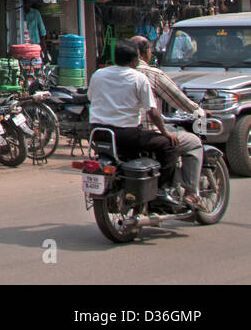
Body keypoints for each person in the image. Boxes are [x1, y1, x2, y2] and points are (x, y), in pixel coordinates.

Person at [87, 39, 180, 200]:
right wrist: (165, 132)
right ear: (134, 60)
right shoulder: (138, 78)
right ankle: (162, 190)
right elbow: (153, 111)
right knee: (168, 145)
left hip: (98, 133)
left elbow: (91, 97)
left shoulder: (98, 74)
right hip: (127, 135)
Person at [132, 36, 205, 207]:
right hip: (146, 132)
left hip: (117, 132)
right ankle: (190, 193)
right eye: (150, 49)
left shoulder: (109, 75)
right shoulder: (150, 74)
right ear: (145, 53)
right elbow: (177, 100)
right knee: (193, 142)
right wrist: (198, 110)